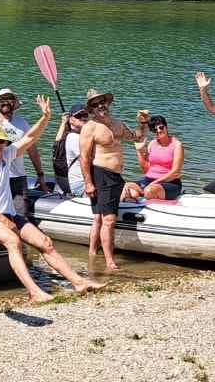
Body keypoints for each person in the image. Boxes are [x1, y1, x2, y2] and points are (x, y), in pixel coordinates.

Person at [0, 102, 104, 302]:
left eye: (1, 141)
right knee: (13, 242)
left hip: (8, 214)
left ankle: (79, 283)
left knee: (46, 243)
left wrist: (45, 117)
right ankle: (34, 291)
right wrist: (3, 220)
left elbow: (29, 138)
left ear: (5, 143)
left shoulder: (6, 155)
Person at [77, 90, 149, 270]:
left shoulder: (118, 124)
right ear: (92, 109)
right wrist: (88, 183)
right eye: (95, 104)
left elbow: (136, 137)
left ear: (108, 103)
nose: (100, 106)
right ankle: (109, 261)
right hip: (101, 174)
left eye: (102, 102)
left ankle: (93, 253)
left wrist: (143, 123)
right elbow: (84, 158)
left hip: (116, 176)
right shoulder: (90, 127)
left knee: (99, 219)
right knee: (108, 219)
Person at [0, 88, 49, 200]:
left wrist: (40, 175)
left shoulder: (22, 123)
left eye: (9, 98)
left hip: (18, 178)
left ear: (14, 102)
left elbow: (32, 151)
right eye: (2, 99)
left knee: (21, 215)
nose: (6, 102)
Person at [136, 116, 184, 201]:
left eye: (161, 127)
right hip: (149, 181)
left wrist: (155, 183)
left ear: (166, 127)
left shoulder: (177, 145)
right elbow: (146, 170)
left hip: (170, 183)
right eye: (155, 130)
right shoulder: (151, 144)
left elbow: (175, 172)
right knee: (125, 187)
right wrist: (139, 150)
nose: (158, 130)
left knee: (149, 190)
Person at [50, 107, 89, 198]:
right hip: (76, 183)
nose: (83, 117)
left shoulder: (65, 138)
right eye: (79, 115)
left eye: (85, 115)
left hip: (63, 180)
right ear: (71, 119)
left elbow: (57, 141)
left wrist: (63, 123)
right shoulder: (74, 138)